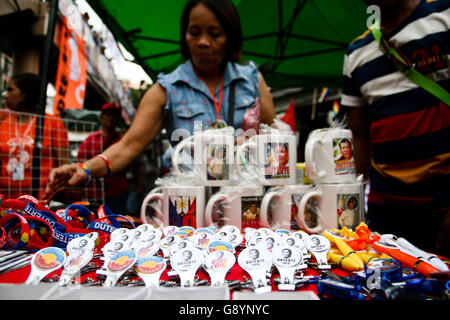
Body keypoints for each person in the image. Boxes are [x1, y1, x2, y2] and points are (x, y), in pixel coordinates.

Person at [44, 0, 275, 200]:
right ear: (185, 36)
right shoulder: (166, 89)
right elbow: (128, 146)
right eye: (195, 33)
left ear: (229, 37)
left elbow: (273, 140)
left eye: (214, 34)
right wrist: (85, 170)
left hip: (247, 204)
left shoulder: (253, 81)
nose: (203, 42)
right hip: (190, 209)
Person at [341, 0, 449, 255]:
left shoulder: (443, 17)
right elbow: (359, 134)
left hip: (443, 203)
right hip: (386, 211)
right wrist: (359, 202)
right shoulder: (355, 53)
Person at [0, 73, 69, 200]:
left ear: (24, 94)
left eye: (11, 89)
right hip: (7, 199)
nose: (6, 95)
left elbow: (63, 165)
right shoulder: (5, 123)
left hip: (42, 200)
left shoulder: (53, 123)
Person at [76, 102, 129, 214]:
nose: (110, 118)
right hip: (94, 193)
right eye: (107, 114)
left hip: (116, 192)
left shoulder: (123, 142)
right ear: (101, 117)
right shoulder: (90, 140)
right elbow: (80, 161)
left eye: (113, 115)